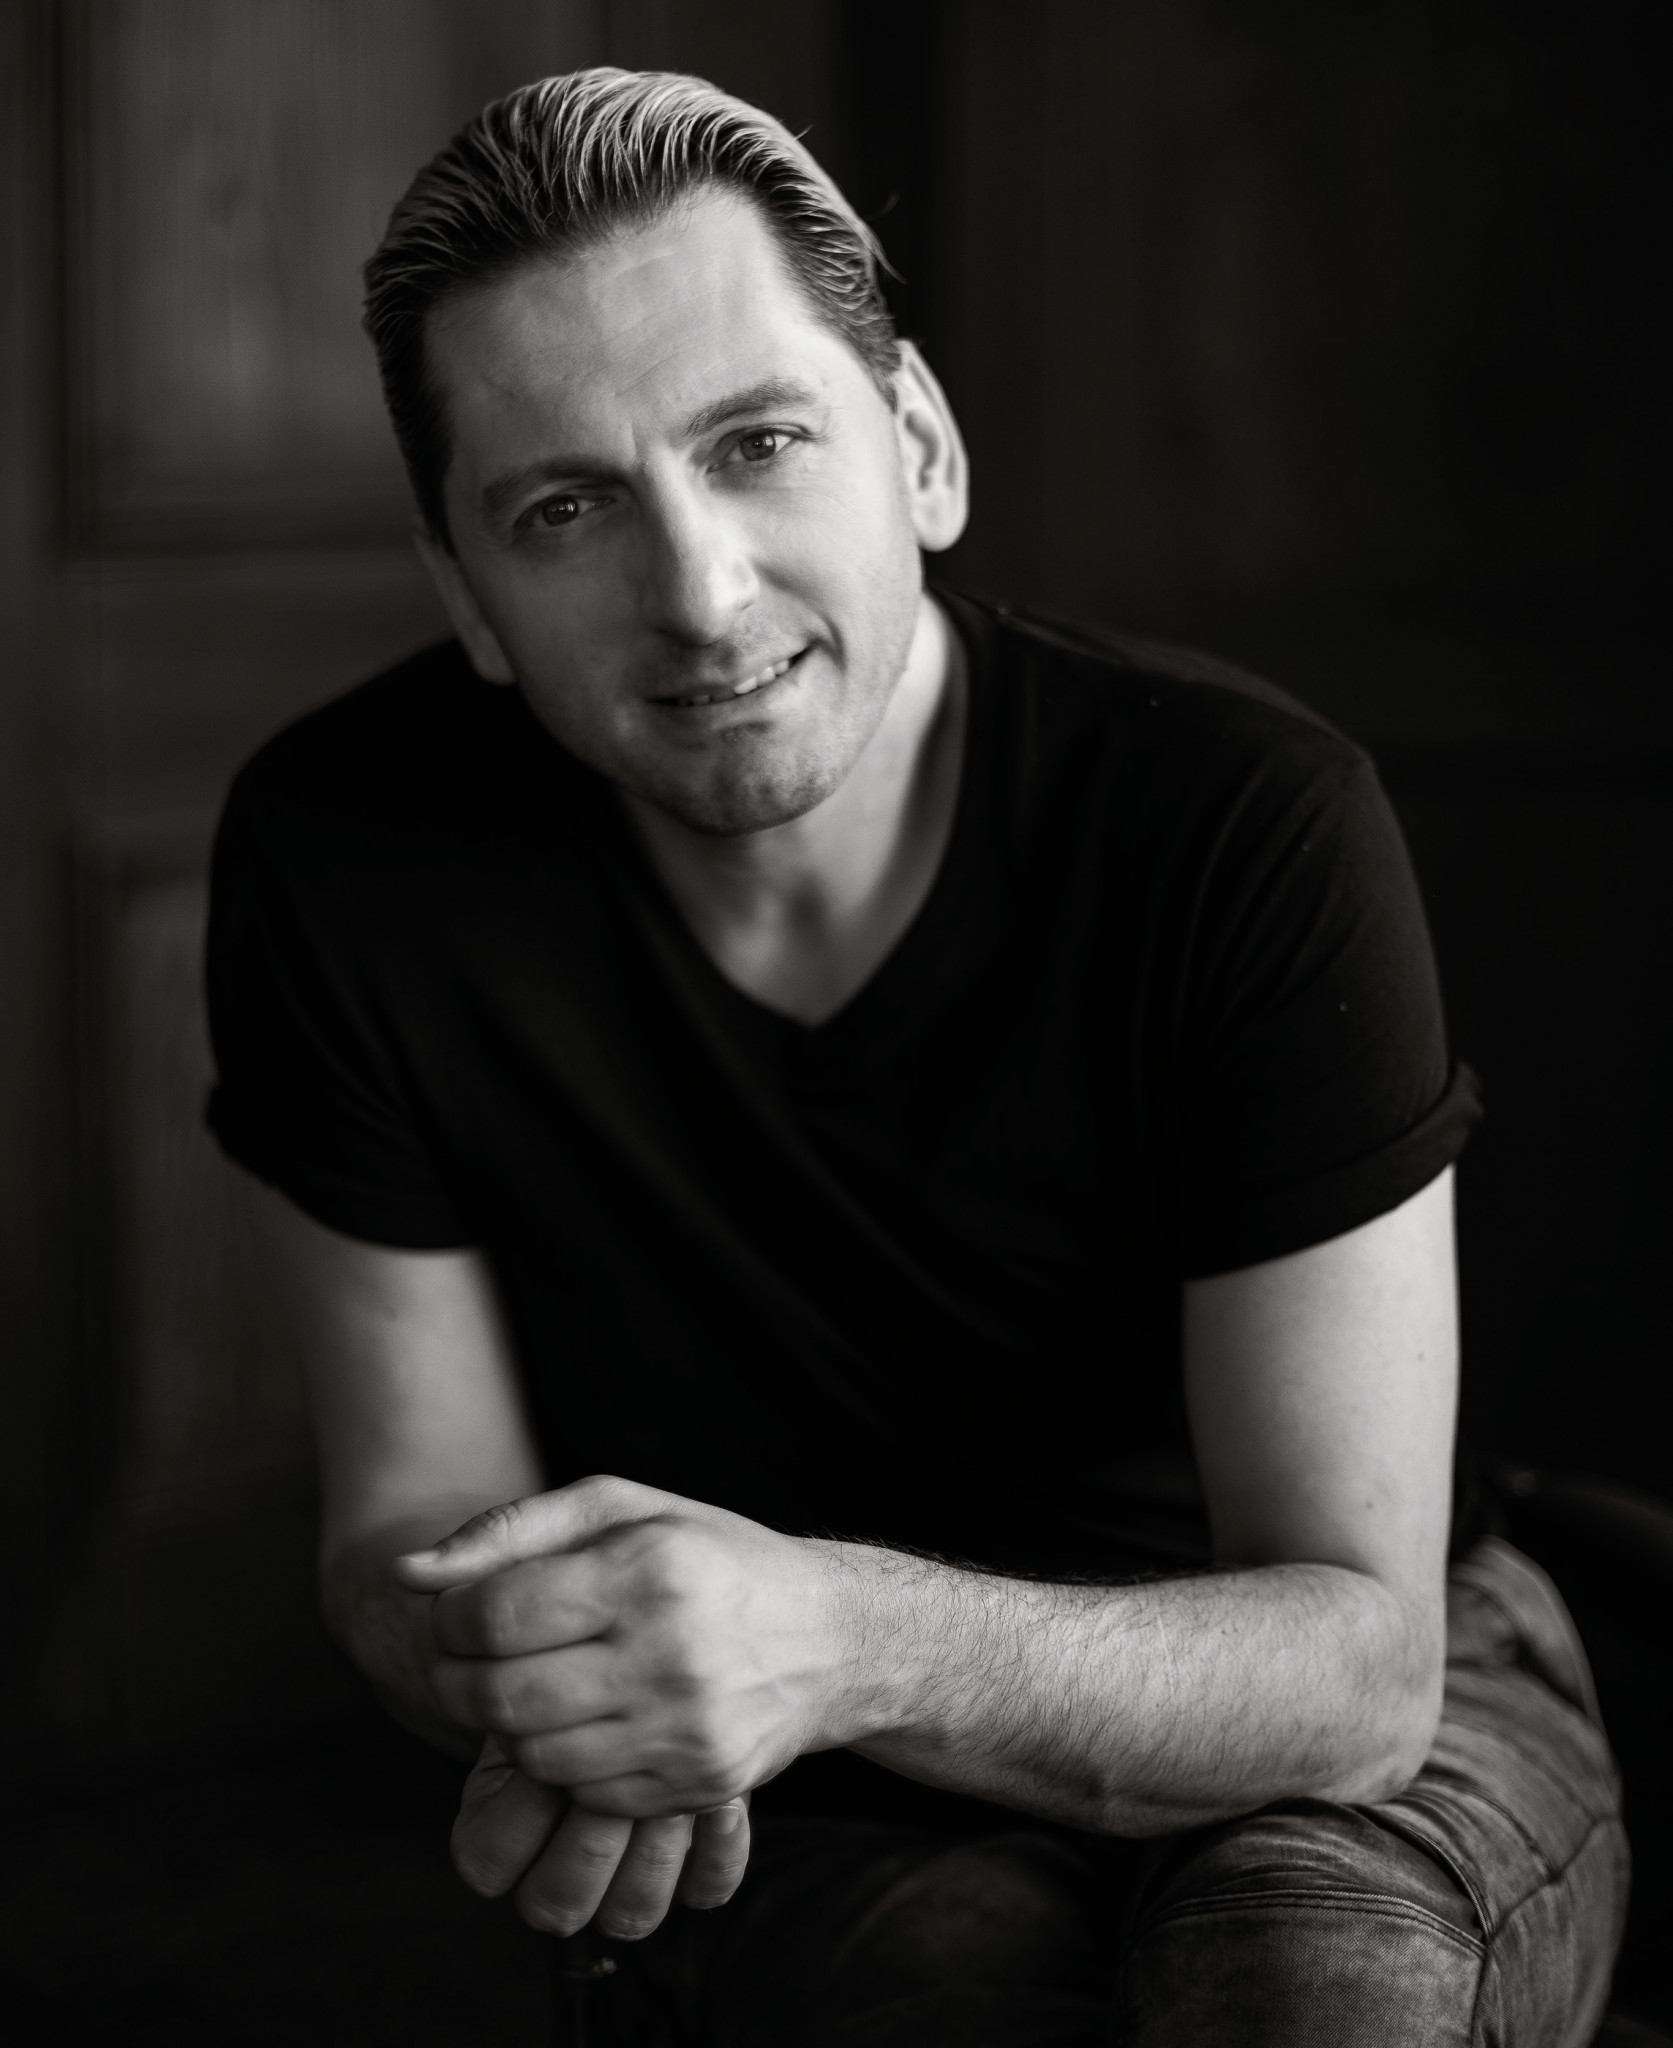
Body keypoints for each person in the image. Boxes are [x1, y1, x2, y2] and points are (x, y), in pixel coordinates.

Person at [205, 67, 1627, 2046]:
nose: (700, 596)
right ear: (470, 597)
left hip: (1332, 1684)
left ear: (923, 450)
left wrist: (835, 1632)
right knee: (942, 2000)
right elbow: (405, 1525)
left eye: (760, 442)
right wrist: (561, 1669)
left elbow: (1357, 1670)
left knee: (1303, 1988)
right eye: (564, 508)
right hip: (802, 1756)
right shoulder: (341, 854)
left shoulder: (1241, 819)